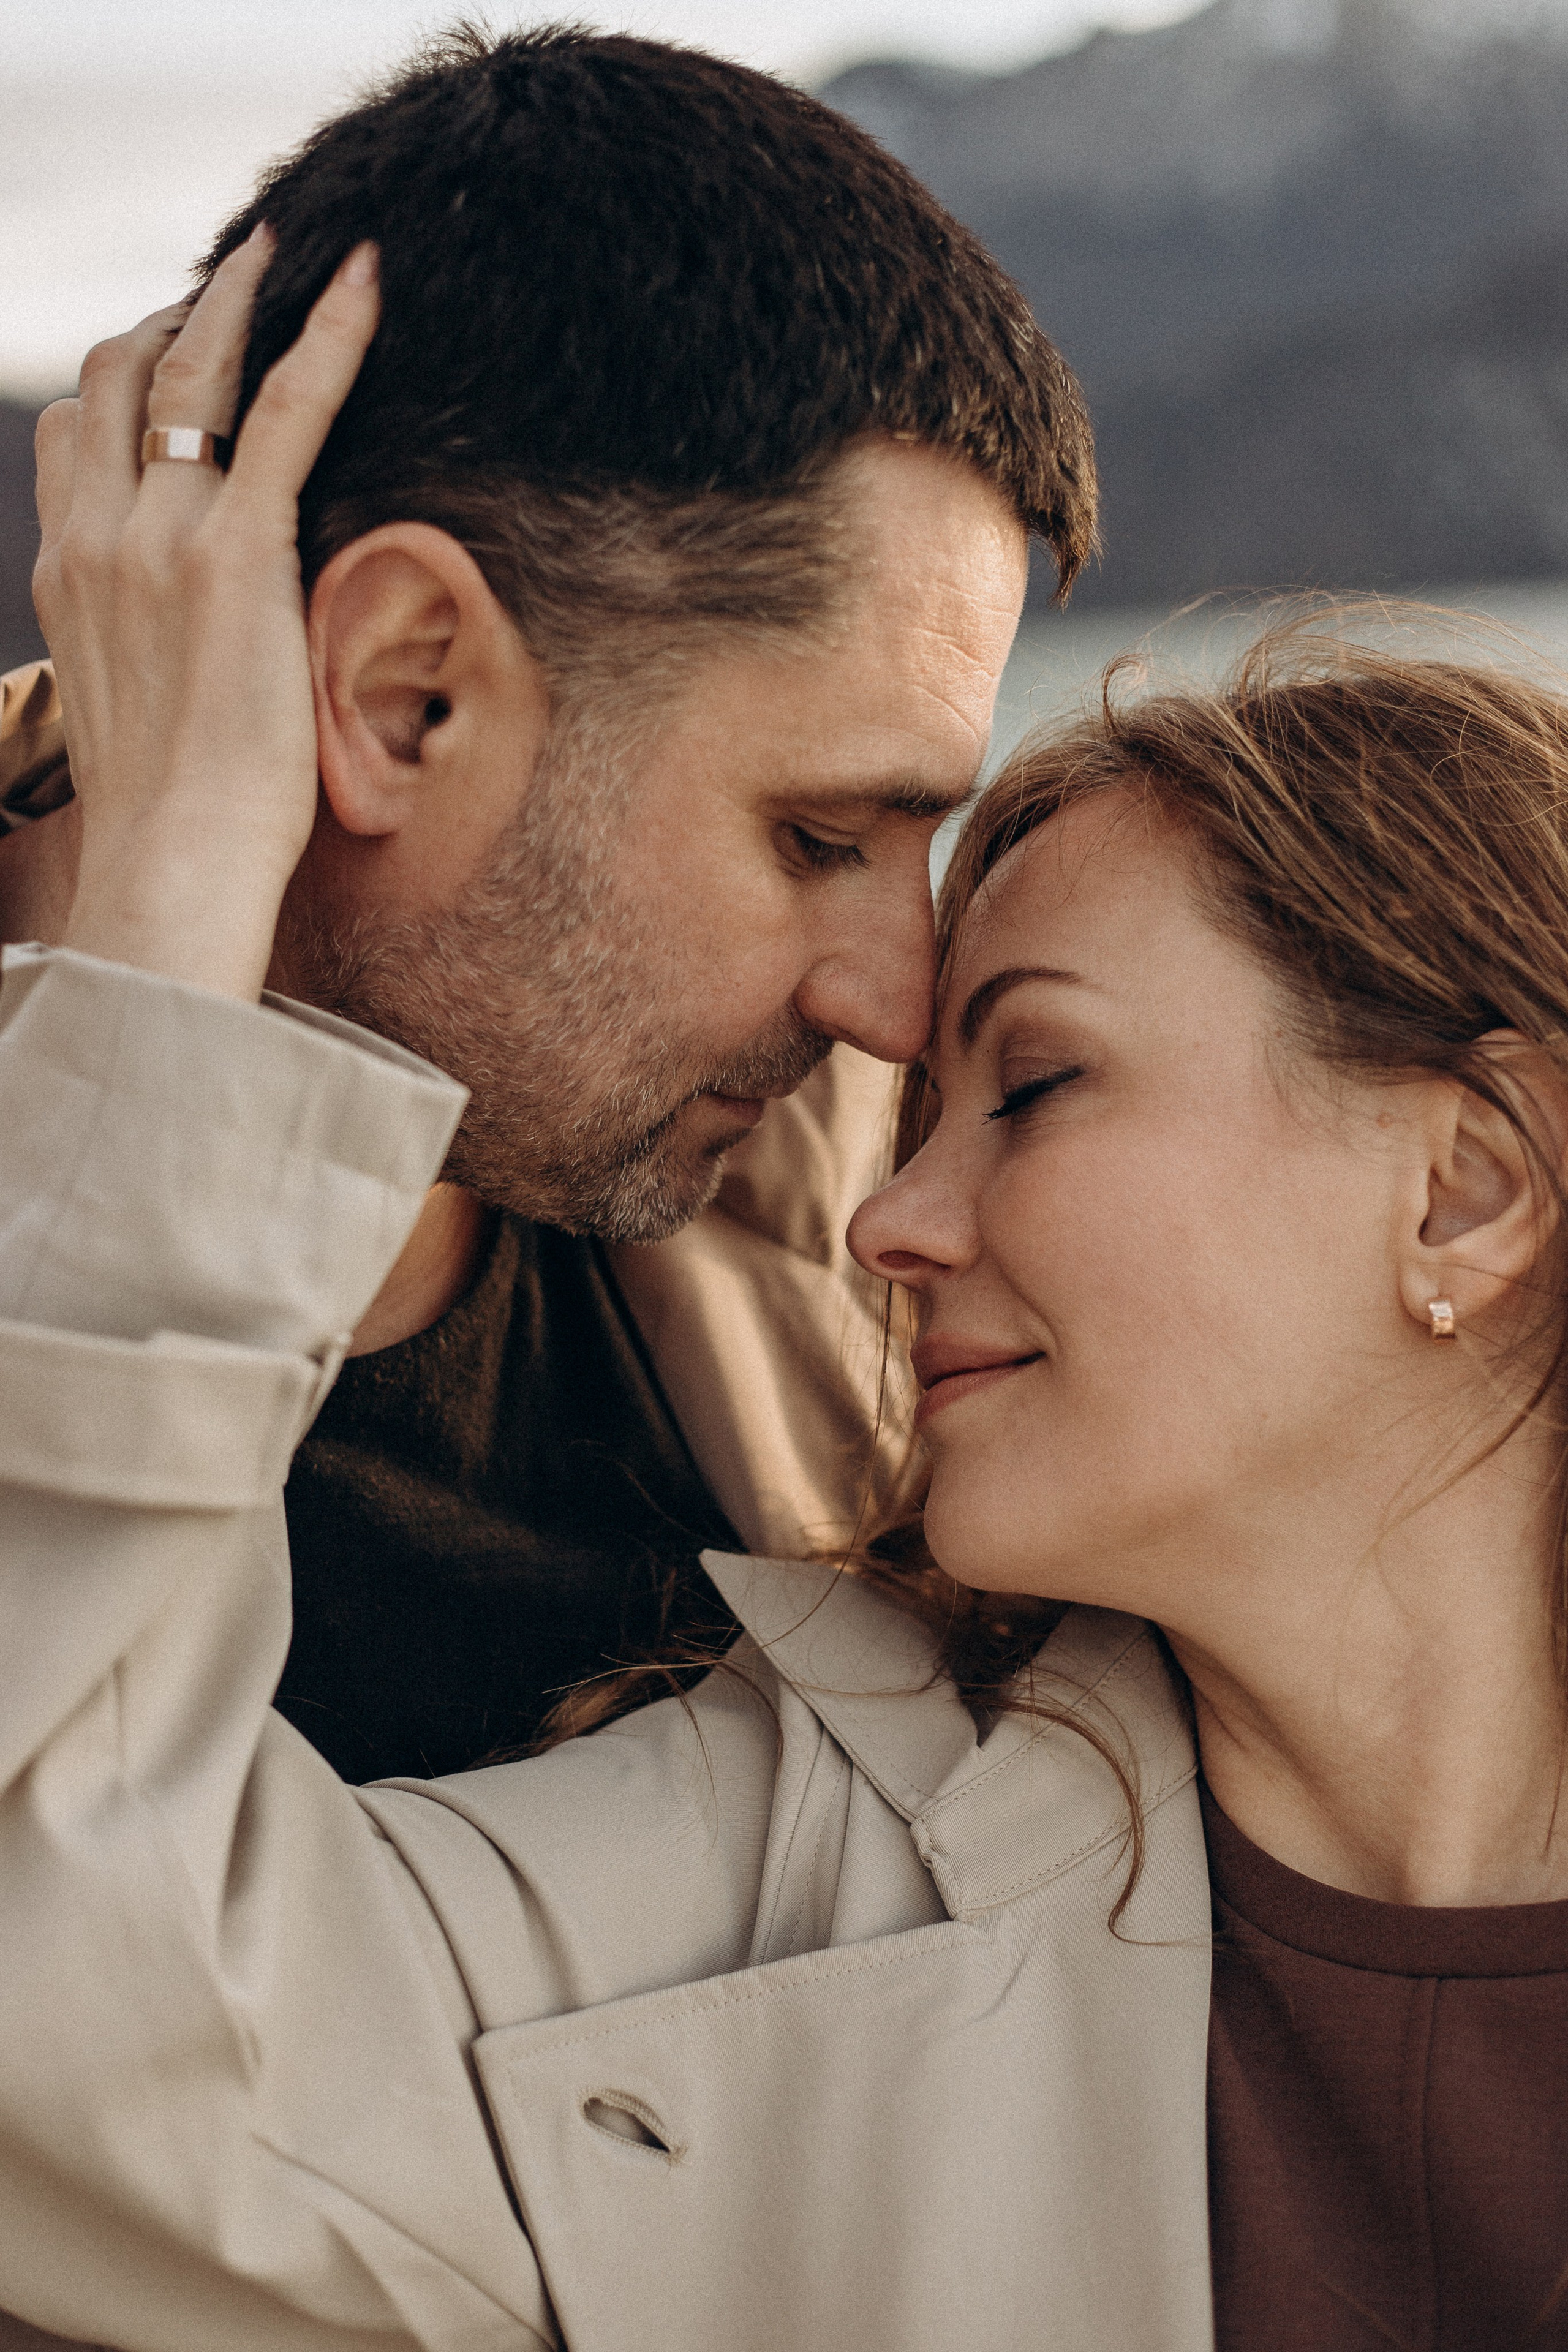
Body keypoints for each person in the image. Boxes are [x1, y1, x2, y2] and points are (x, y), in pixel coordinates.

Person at [12, 394, 1568, 2352]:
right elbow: (85, 2010)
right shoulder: (808, 1838)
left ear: (1468, 1188)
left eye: (1037, 1082)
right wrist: (168, 917)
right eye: (816, 838)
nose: (884, 1224)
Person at [0, 24, 1093, 1781]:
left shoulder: (869, 1191)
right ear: (402, 694)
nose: (897, 1012)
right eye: (820, 837)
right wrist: (173, 930)